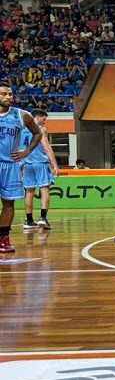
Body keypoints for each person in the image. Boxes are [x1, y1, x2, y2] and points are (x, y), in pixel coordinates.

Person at [0, 83, 42, 253]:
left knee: (9, 204)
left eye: (10, 94)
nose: (9, 97)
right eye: (4, 94)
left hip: (10, 165)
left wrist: (27, 152)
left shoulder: (22, 115)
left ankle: (3, 240)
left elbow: (38, 133)